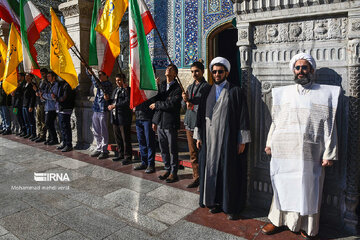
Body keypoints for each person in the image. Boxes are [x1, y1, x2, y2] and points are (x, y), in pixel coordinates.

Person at [261, 53, 340, 239]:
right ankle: (277, 221)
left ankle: (308, 226)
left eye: (305, 67)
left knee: (309, 189)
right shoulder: (284, 94)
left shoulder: (324, 93)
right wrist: (269, 143)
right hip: (285, 151)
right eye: (297, 68)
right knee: (283, 183)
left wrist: (329, 153)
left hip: (311, 153)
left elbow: (331, 126)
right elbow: (276, 121)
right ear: (293, 71)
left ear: (312, 70)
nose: (301, 71)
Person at [194, 57, 251, 220]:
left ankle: (229, 206)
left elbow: (243, 116)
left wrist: (242, 140)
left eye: (220, 71)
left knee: (228, 171)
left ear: (226, 72)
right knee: (211, 169)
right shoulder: (206, 91)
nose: (217, 74)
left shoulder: (235, 91)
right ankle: (213, 202)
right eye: (214, 72)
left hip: (227, 138)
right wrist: (199, 136)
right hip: (209, 138)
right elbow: (200, 115)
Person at [150, 64, 182, 183]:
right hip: (160, 122)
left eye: (171, 69)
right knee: (163, 147)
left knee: (172, 148)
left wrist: (158, 104)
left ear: (175, 74)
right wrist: (155, 121)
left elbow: (171, 105)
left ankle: (174, 171)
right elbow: (157, 100)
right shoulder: (162, 85)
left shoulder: (177, 88)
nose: (168, 69)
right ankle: (167, 168)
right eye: (167, 68)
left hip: (170, 122)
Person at [181, 61, 210, 188]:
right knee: (192, 154)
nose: (194, 74)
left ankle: (204, 179)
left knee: (202, 153)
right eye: (192, 71)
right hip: (189, 123)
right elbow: (184, 108)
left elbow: (207, 107)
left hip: (201, 125)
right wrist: (185, 100)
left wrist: (193, 105)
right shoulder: (189, 87)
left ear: (202, 71)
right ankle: (196, 177)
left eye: (197, 71)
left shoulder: (207, 88)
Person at [86, 68, 113, 160]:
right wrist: (89, 72)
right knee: (96, 130)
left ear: (106, 76)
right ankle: (99, 147)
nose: (100, 76)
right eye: (99, 75)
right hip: (96, 109)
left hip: (103, 110)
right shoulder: (99, 84)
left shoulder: (108, 84)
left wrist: (92, 74)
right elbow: (95, 81)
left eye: (101, 75)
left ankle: (104, 150)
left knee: (103, 131)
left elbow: (98, 84)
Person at [108, 73, 133, 164]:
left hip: (124, 117)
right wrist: (108, 100)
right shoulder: (115, 90)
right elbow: (112, 101)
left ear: (123, 80)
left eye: (119, 80)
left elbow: (127, 101)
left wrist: (115, 105)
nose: (117, 82)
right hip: (115, 117)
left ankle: (128, 156)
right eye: (116, 81)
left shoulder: (127, 90)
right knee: (118, 137)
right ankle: (121, 153)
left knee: (125, 138)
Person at [55, 80, 76, 152]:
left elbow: (64, 97)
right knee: (62, 127)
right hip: (60, 108)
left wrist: (56, 98)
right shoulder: (61, 84)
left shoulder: (67, 85)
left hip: (66, 108)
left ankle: (68, 144)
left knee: (65, 127)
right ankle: (64, 142)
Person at [41, 71, 59, 145]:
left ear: (53, 77)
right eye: (47, 76)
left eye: (49, 76)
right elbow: (44, 95)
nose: (47, 78)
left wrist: (44, 95)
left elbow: (52, 97)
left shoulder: (56, 85)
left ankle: (54, 138)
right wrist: (42, 95)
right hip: (47, 107)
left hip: (53, 107)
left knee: (49, 123)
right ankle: (50, 138)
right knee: (47, 123)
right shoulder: (48, 85)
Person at [32, 68, 49, 142]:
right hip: (38, 102)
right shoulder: (41, 81)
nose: (42, 75)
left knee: (42, 120)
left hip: (43, 103)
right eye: (41, 74)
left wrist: (36, 90)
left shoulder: (46, 82)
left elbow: (43, 92)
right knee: (38, 119)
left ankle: (43, 135)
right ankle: (39, 133)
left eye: (43, 74)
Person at [22, 73, 37, 139]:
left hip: (28, 105)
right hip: (24, 104)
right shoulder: (25, 84)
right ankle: (28, 133)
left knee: (31, 120)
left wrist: (31, 106)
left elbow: (32, 97)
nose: (26, 77)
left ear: (31, 77)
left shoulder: (32, 85)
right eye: (26, 76)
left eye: (28, 76)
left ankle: (33, 133)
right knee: (26, 120)